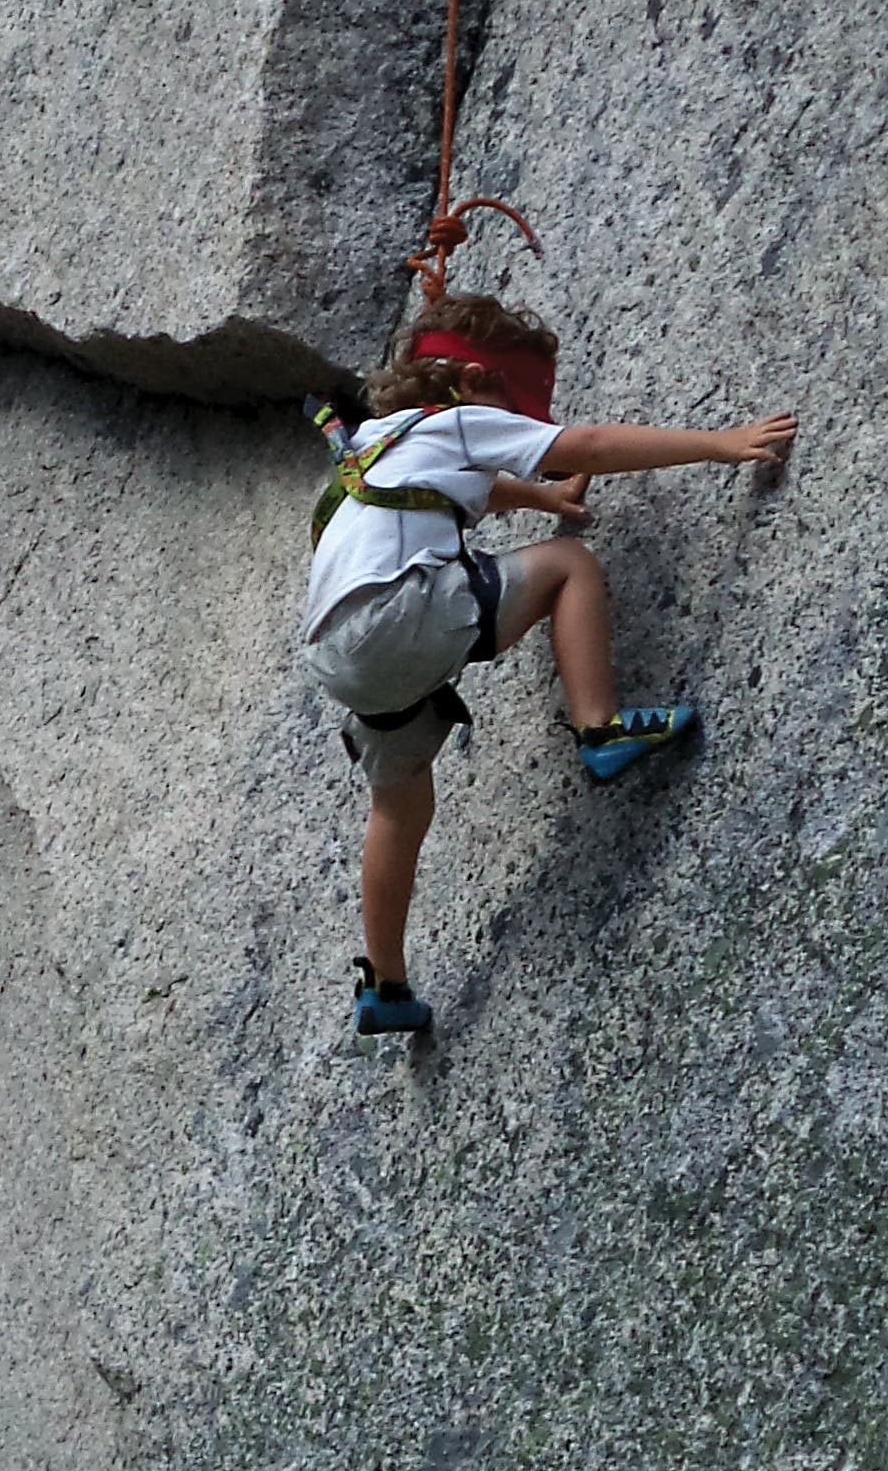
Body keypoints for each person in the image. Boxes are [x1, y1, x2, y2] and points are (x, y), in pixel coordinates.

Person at [304, 292, 797, 1042]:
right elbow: (590, 444)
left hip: (340, 658)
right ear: (472, 381)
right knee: (569, 566)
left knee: (399, 806)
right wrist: (720, 443)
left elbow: (473, 486)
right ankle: (600, 728)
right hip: (399, 615)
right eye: (518, 411)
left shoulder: (373, 443)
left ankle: (385, 982)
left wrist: (544, 496)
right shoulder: (462, 417)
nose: (523, 427)